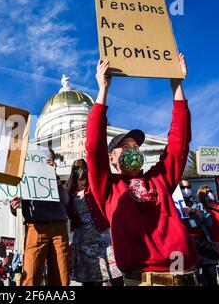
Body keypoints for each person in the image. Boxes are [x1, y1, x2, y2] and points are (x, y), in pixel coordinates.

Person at [86, 56, 201, 286]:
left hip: (186, 275)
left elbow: (179, 144)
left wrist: (177, 86)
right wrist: (102, 92)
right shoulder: (108, 188)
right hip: (144, 280)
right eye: (124, 147)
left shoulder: (159, 179)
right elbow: (93, 147)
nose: (132, 150)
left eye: (136, 147)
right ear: (111, 158)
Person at [9, 149, 69, 286]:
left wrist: (54, 176)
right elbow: (17, 207)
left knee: (61, 273)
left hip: (58, 228)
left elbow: (65, 200)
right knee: (31, 274)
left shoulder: (56, 179)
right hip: (36, 227)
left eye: (49, 159)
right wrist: (14, 207)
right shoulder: (25, 178)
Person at [65, 159, 124, 286]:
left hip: (101, 233)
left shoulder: (95, 186)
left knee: (113, 271)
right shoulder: (69, 192)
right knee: (89, 276)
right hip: (83, 237)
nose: (80, 171)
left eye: (82, 168)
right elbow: (67, 212)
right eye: (76, 169)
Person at [179, 179, 219, 286]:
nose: (186, 190)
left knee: (210, 273)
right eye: (183, 188)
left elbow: (209, 222)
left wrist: (196, 211)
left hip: (202, 240)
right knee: (189, 276)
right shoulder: (172, 204)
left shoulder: (197, 204)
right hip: (185, 244)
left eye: (188, 187)